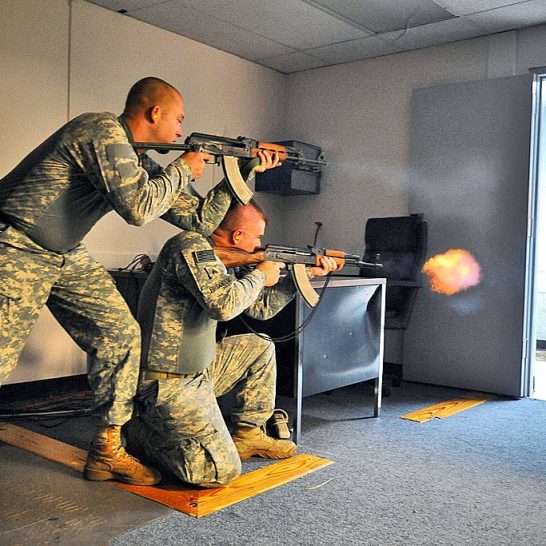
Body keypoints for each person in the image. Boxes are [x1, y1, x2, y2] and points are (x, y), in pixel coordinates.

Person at [0, 76, 242, 485]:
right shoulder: (101, 130)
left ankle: (108, 449)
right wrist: (183, 168)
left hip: (62, 252)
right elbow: (138, 209)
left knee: (121, 336)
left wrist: (242, 172)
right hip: (15, 244)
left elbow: (198, 220)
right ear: (155, 112)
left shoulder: (136, 158)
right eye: (179, 120)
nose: (181, 131)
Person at [123, 199, 340, 487]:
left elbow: (259, 309)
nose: (258, 245)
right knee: (218, 471)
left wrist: (303, 276)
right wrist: (262, 273)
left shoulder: (223, 262)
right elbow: (223, 305)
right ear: (237, 236)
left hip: (200, 371)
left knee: (259, 346)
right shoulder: (188, 245)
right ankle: (139, 435)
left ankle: (248, 434)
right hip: (165, 382)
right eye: (257, 238)